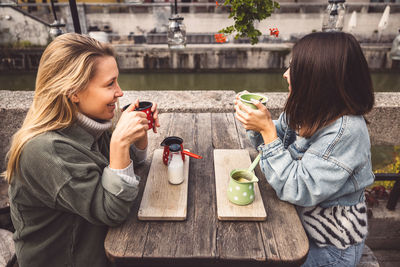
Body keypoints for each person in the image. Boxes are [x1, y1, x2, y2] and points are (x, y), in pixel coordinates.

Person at [3, 33, 160, 267]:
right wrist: (118, 142)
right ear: (74, 92)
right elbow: (112, 211)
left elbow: (129, 167)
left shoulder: (87, 122)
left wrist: (137, 135)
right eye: (110, 84)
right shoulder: (46, 151)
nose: (120, 92)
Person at [234, 32, 375, 267]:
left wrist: (267, 132)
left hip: (330, 247)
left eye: (295, 69)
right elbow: (276, 141)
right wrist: (257, 122)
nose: (286, 74)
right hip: (298, 222)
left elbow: (298, 188)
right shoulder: (311, 107)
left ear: (318, 78)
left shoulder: (346, 131)